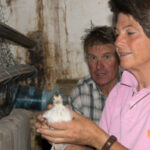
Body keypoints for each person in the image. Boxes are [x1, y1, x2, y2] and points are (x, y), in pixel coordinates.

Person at [35, 0, 150, 149]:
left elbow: (101, 142)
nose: (118, 42)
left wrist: (95, 136)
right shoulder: (120, 93)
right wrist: (63, 138)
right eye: (117, 34)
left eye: (130, 32)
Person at [68, 26, 120, 124]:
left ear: (119, 58)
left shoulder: (132, 89)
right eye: (93, 58)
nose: (99, 66)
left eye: (106, 57)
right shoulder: (80, 93)